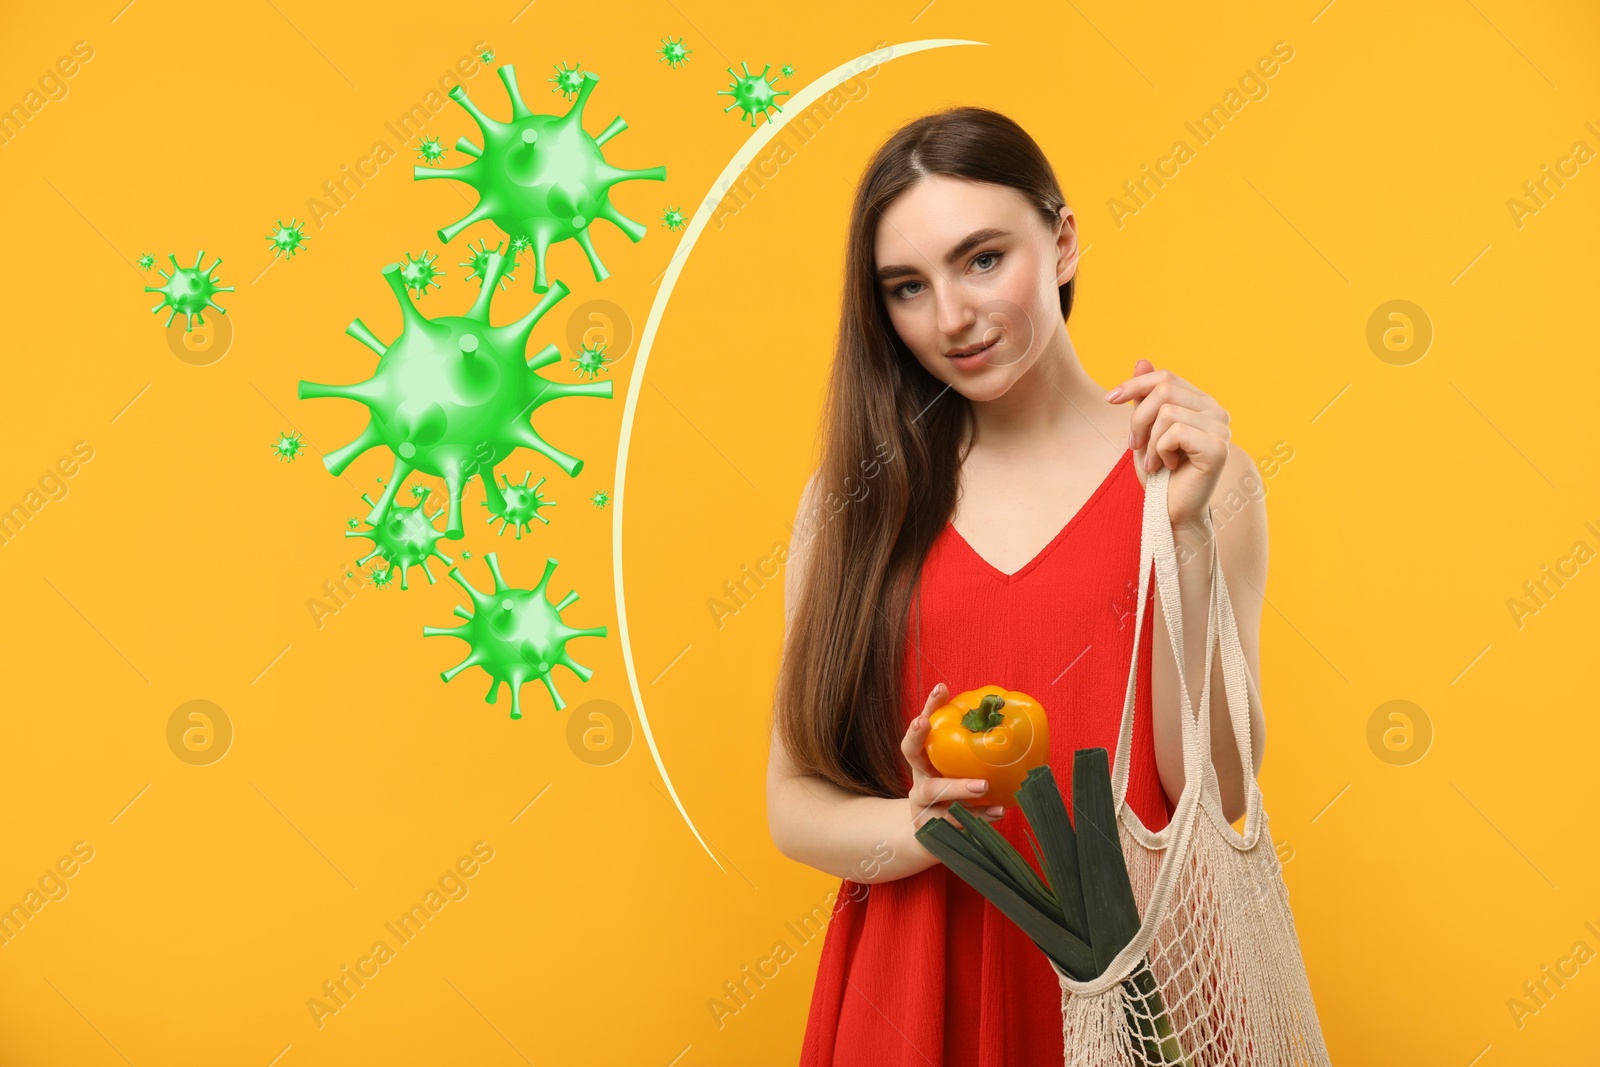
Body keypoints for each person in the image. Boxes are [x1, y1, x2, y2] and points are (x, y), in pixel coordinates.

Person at [766, 106, 1270, 1066]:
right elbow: (794, 801)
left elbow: (1220, 782)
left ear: (1064, 240)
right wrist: (920, 828)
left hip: (1139, 982)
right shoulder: (852, 500)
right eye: (907, 287)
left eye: (983, 259)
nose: (950, 317)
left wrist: (1186, 533)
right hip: (916, 985)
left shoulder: (1192, 478)